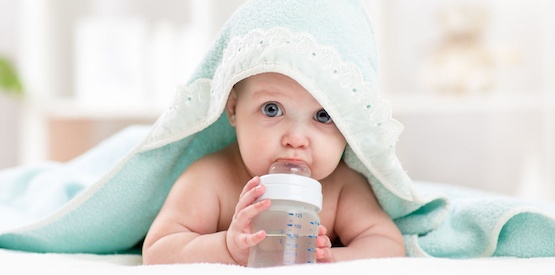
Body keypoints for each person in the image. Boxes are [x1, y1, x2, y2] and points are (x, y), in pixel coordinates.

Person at [142, 0, 407, 265]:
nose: (295, 139)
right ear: (233, 108)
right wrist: (226, 246)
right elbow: (158, 250)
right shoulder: (211, 179)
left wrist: (334, 258)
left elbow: (388, 243)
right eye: (271, 109)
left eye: (323, 116)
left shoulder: (342, 187)